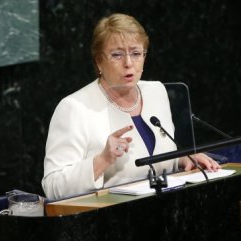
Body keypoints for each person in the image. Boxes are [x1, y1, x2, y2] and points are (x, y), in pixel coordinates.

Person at [42, 13, 220, 200]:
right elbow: (53, 187)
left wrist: (183, 159)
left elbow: (156, 163)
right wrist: (102, 161)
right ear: (98, 60)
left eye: (136, 53)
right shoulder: (75, 108)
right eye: (117, 55)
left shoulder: (156, 92)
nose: (128, 64)